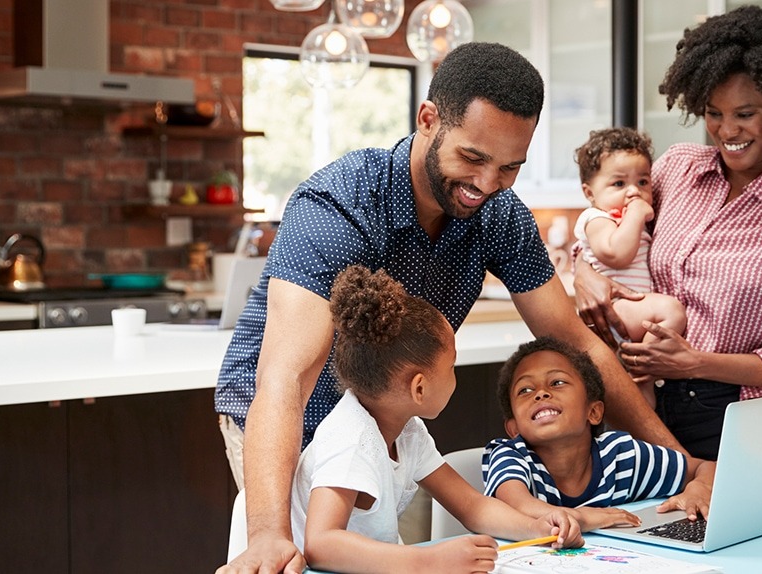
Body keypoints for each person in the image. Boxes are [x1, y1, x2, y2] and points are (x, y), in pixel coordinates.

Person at [215, 42, 687, 574]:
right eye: (473, 157)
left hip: (388, 420)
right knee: (298, 556)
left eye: (509, 167)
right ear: (428, 120)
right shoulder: (339, 204)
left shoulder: (500, 216)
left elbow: (575, 343)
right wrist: (267, 535)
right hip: (289, 418)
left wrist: (689, 470)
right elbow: (285, 378)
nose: (487, 185)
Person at [573, 6, 762, 461]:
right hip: (631, 389)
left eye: (745, 113)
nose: (727, 131)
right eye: (713, 112)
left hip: (723, 410)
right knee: (634, 527)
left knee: (710, 529)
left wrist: (696, 362)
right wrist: (583, 274)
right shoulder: (676, 167)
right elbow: (607, 226)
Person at [289, 266, 582, 573]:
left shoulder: (407, 431)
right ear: (419, 388)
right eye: (451, 365)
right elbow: (321, 544)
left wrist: (537, 527)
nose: (454, 376)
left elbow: (472, 506)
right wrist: (429, 561)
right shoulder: (350, 438)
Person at [483, 337, 715, 532]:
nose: (541, 393)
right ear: (513, 429)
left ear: (593, 412)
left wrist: (699, 488)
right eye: (525, 390)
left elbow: (708, 467)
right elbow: (517, 505)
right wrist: (581, 517)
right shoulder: (510, 455)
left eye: (557, 382)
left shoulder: (622, 456)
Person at [570, 128, 687, 407]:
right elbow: (616, 254)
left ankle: (640, 381)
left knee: (642, 405)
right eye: (619, 184)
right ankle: (642, 361)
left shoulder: (627, 221)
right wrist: (636, 213)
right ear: (590, 192)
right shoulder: (596, 218)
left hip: (631, 309)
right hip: (615, 306)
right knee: (672, 311)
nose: (634, 191)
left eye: (643, 181)